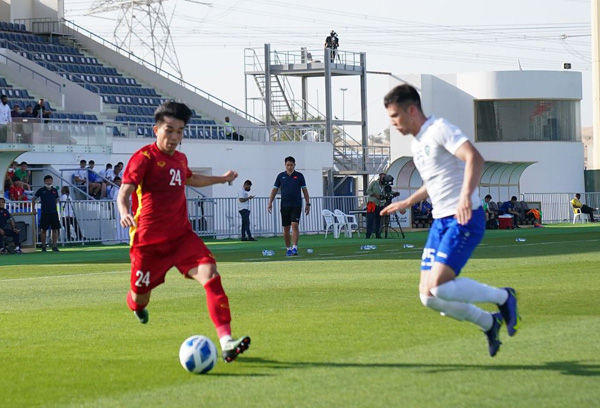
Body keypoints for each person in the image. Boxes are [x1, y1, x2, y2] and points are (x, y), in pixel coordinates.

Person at [381, 84, 520, 357]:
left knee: (440, 286)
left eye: (395, 115)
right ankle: (488, 322)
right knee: (428, 297)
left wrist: (466, 196)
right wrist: (408, 201)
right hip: (440, 222)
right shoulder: (417, 143)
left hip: (463, 218)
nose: (393, 123)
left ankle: (504, 297)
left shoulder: (439, 129)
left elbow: (474, 157)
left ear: (411, 110)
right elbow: (434, 182)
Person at [117, 101, 250, 363]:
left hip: (181, 238)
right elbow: (124, 192)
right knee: (139, 297)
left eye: (180, 131)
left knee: (211, 274)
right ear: (156, 129)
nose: (175, 137)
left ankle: (226, 342)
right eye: (169, 130)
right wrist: (123, 211)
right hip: (148, 244)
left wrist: (221, 179)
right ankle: (137, 306)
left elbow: (190, 178)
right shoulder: (143, 159)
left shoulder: (180, 159)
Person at [268, 156, 310, 256]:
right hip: (285, 205)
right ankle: (288, 249)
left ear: (294, 165)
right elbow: (274, 189)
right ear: (285, 165)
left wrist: (308, 204)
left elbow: (304, 190)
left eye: (291, 165)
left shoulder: (299, 176)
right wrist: (270, 202)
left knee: (295, 225)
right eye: (288, 165)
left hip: (296, 205)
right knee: (286, 229)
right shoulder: (280, 176)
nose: (289, 167)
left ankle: (295, 247)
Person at [33, 175, 61, 252]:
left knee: (55, 229)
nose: (49, 182)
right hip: (45, 212)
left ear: (52, 181)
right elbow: (34, 198)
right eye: (47, 180)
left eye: (50, 180)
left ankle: (54, 245)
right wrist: (33, 209)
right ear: (44, 181)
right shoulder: (41, 190)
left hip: (53, 212)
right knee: (44, 229)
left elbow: (57, 200)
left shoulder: (55, 190)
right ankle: (43, 246)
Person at [365, 173, 387, 239]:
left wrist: (394, 193)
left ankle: (378, 234)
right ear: (380, 177)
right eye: (382, 177)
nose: (383, 179)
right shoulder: (374, 183)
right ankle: (368, 234)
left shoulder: (385, 185)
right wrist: (375, 195)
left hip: (381, 204)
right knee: (370, 219)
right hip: (372, 204)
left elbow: (389, 191)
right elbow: (368, 191)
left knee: (379, 220)